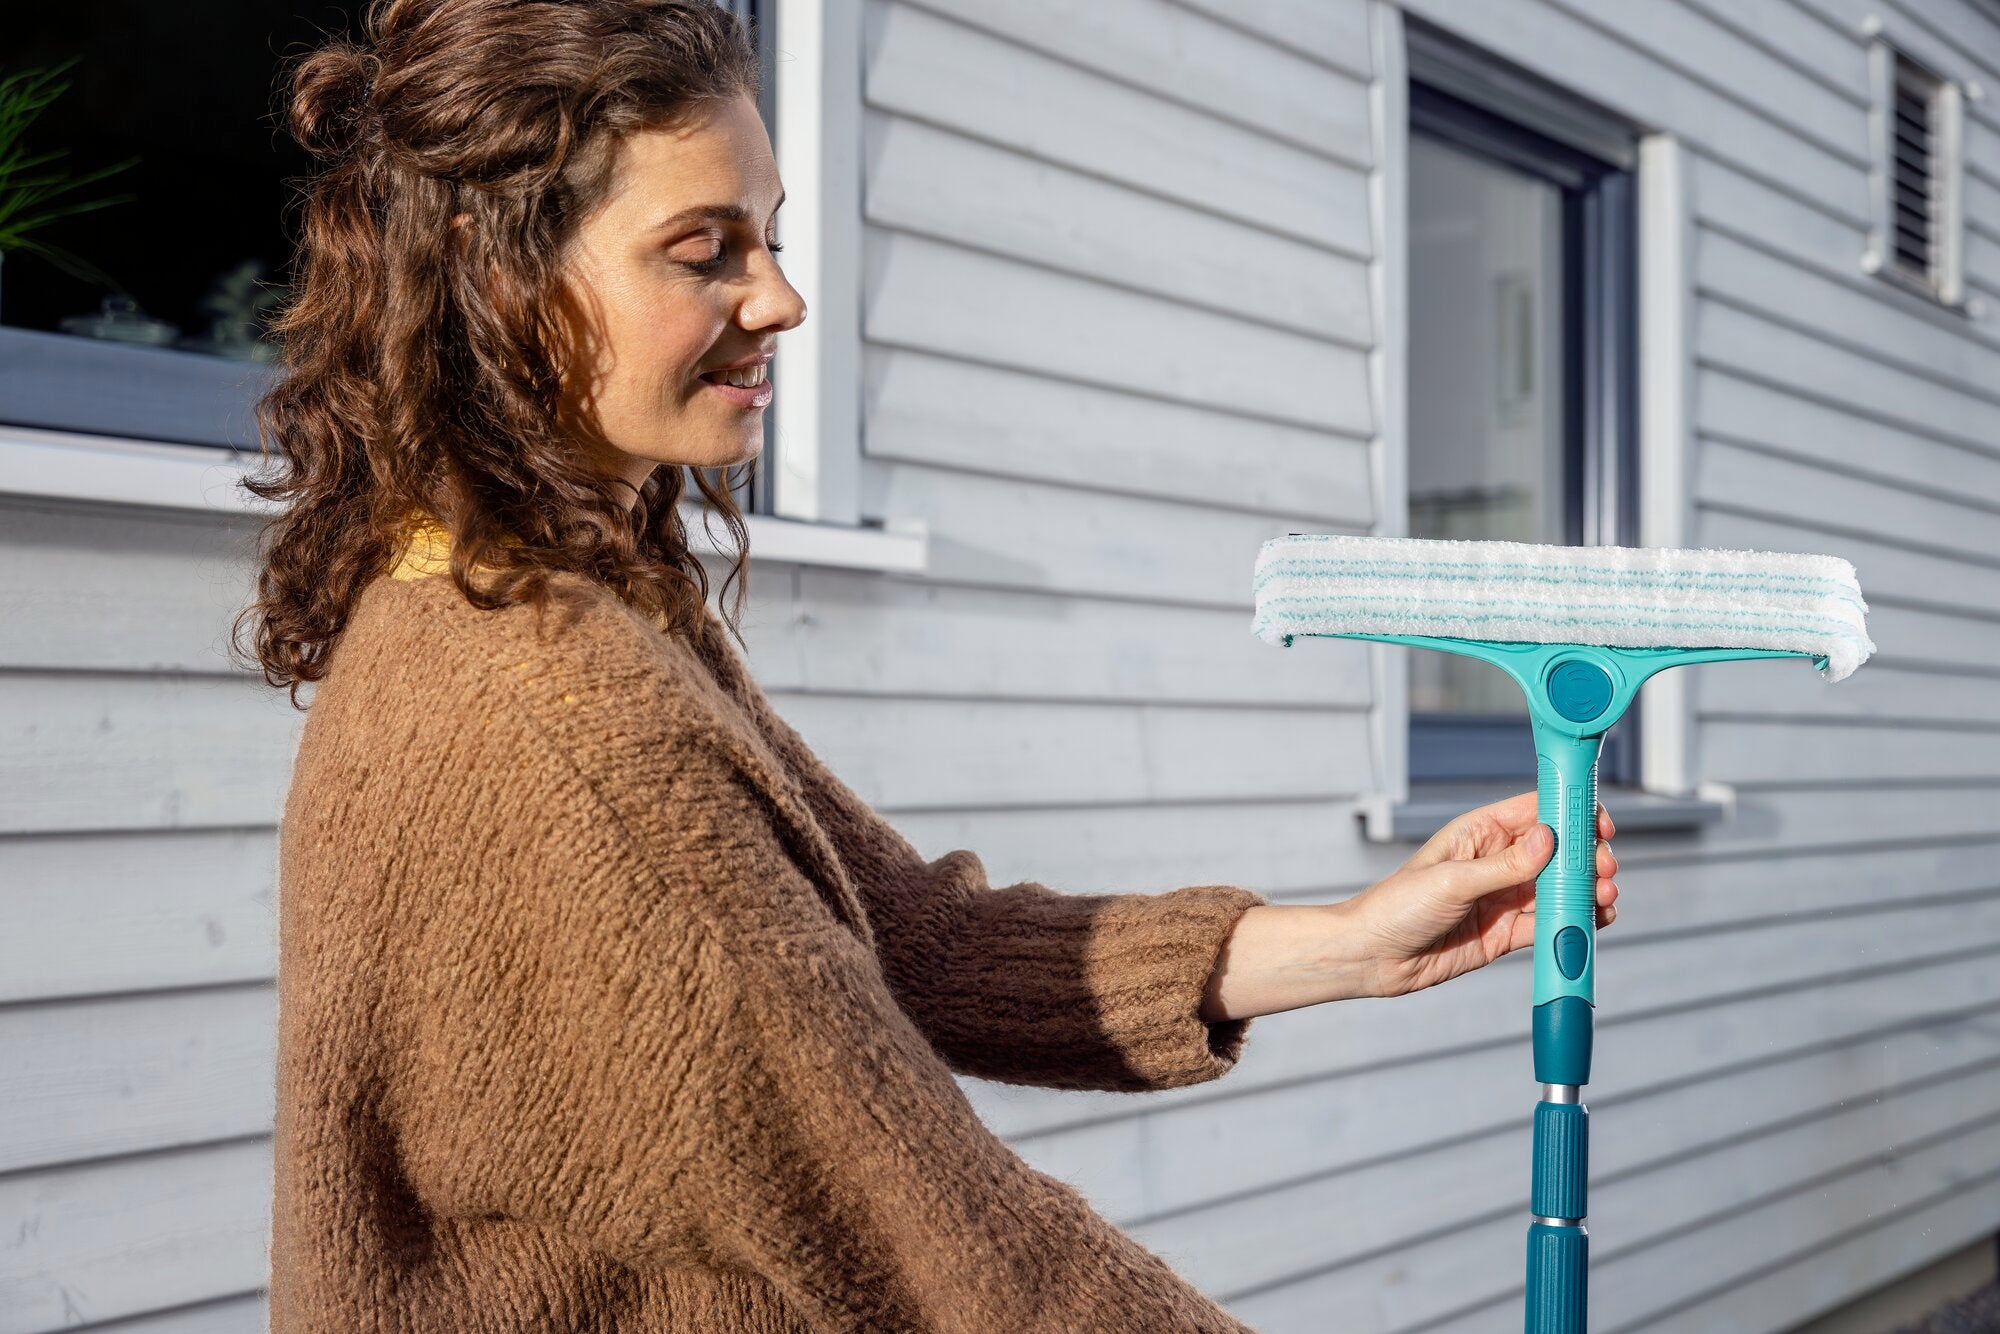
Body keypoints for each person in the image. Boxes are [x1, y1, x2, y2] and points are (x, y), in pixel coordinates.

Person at [236, 2, 1620, 1330]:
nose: (780, 298)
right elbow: (953, 1248)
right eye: (704, 251)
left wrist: (1346, 943)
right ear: (495, 271)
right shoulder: (557, 718)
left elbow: (902, 939)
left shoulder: (530, 595)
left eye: (770, 237)